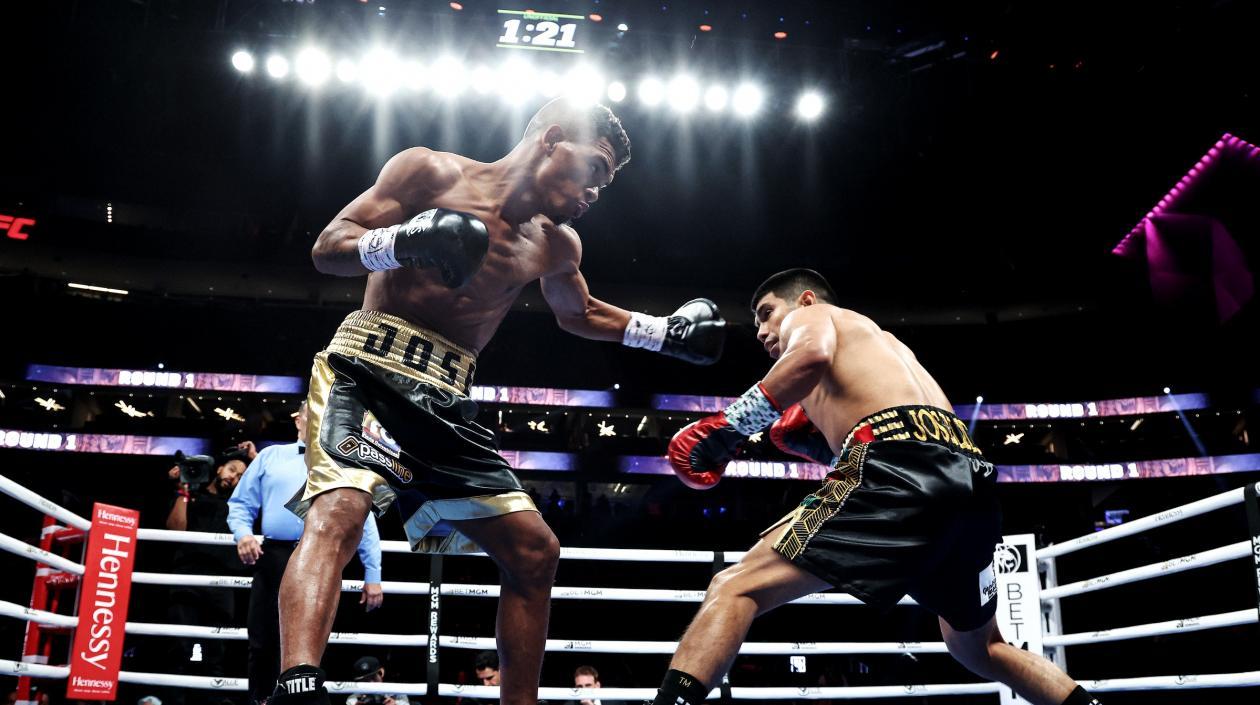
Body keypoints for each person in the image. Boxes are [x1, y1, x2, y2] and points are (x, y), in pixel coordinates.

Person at [273, 97, 725, 705]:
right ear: (553, 140)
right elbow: (329, 247)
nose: (597, 192)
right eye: (595, 168)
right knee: (342, 510)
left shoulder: (557, 245)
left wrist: (664, 333)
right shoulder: (428, 172)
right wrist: (404, 242)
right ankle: (297, 687)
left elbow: (581, 313)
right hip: (368, 369)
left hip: (446, 401)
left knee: (535, 552)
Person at [659, 269, 1102, 705]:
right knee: (982, 648)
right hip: (970, 480)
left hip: (897, 465)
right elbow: (912, 439)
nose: (760, 330)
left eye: (766, 312)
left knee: (734, 586)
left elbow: (812, 358)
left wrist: (728, 428)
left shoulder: (813, 318)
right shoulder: (889, 349)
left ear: (806, 299)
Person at [228, 402, 385, 704]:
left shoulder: (342, 460)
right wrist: (244, 534)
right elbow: (240, 505)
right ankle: (261, 700)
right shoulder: (271, 455)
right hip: (273, 554)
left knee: (317, 639)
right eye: (309, 415)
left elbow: (363, 520)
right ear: (298, 420)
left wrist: (373, 573)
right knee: (262, 639)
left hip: (328, 556)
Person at [164, 447, 250, 705]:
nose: (234, 478)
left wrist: (255, 458)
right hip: (187, 578)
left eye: (240, 476)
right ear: (219, 468)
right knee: (179, 647)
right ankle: (175, 701)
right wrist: (183, 488)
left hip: (222, 582)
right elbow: (175, 530)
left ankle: (211, 700)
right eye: (233, 470)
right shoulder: (192, 496)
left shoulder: (240, 504)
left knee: (217, 652)